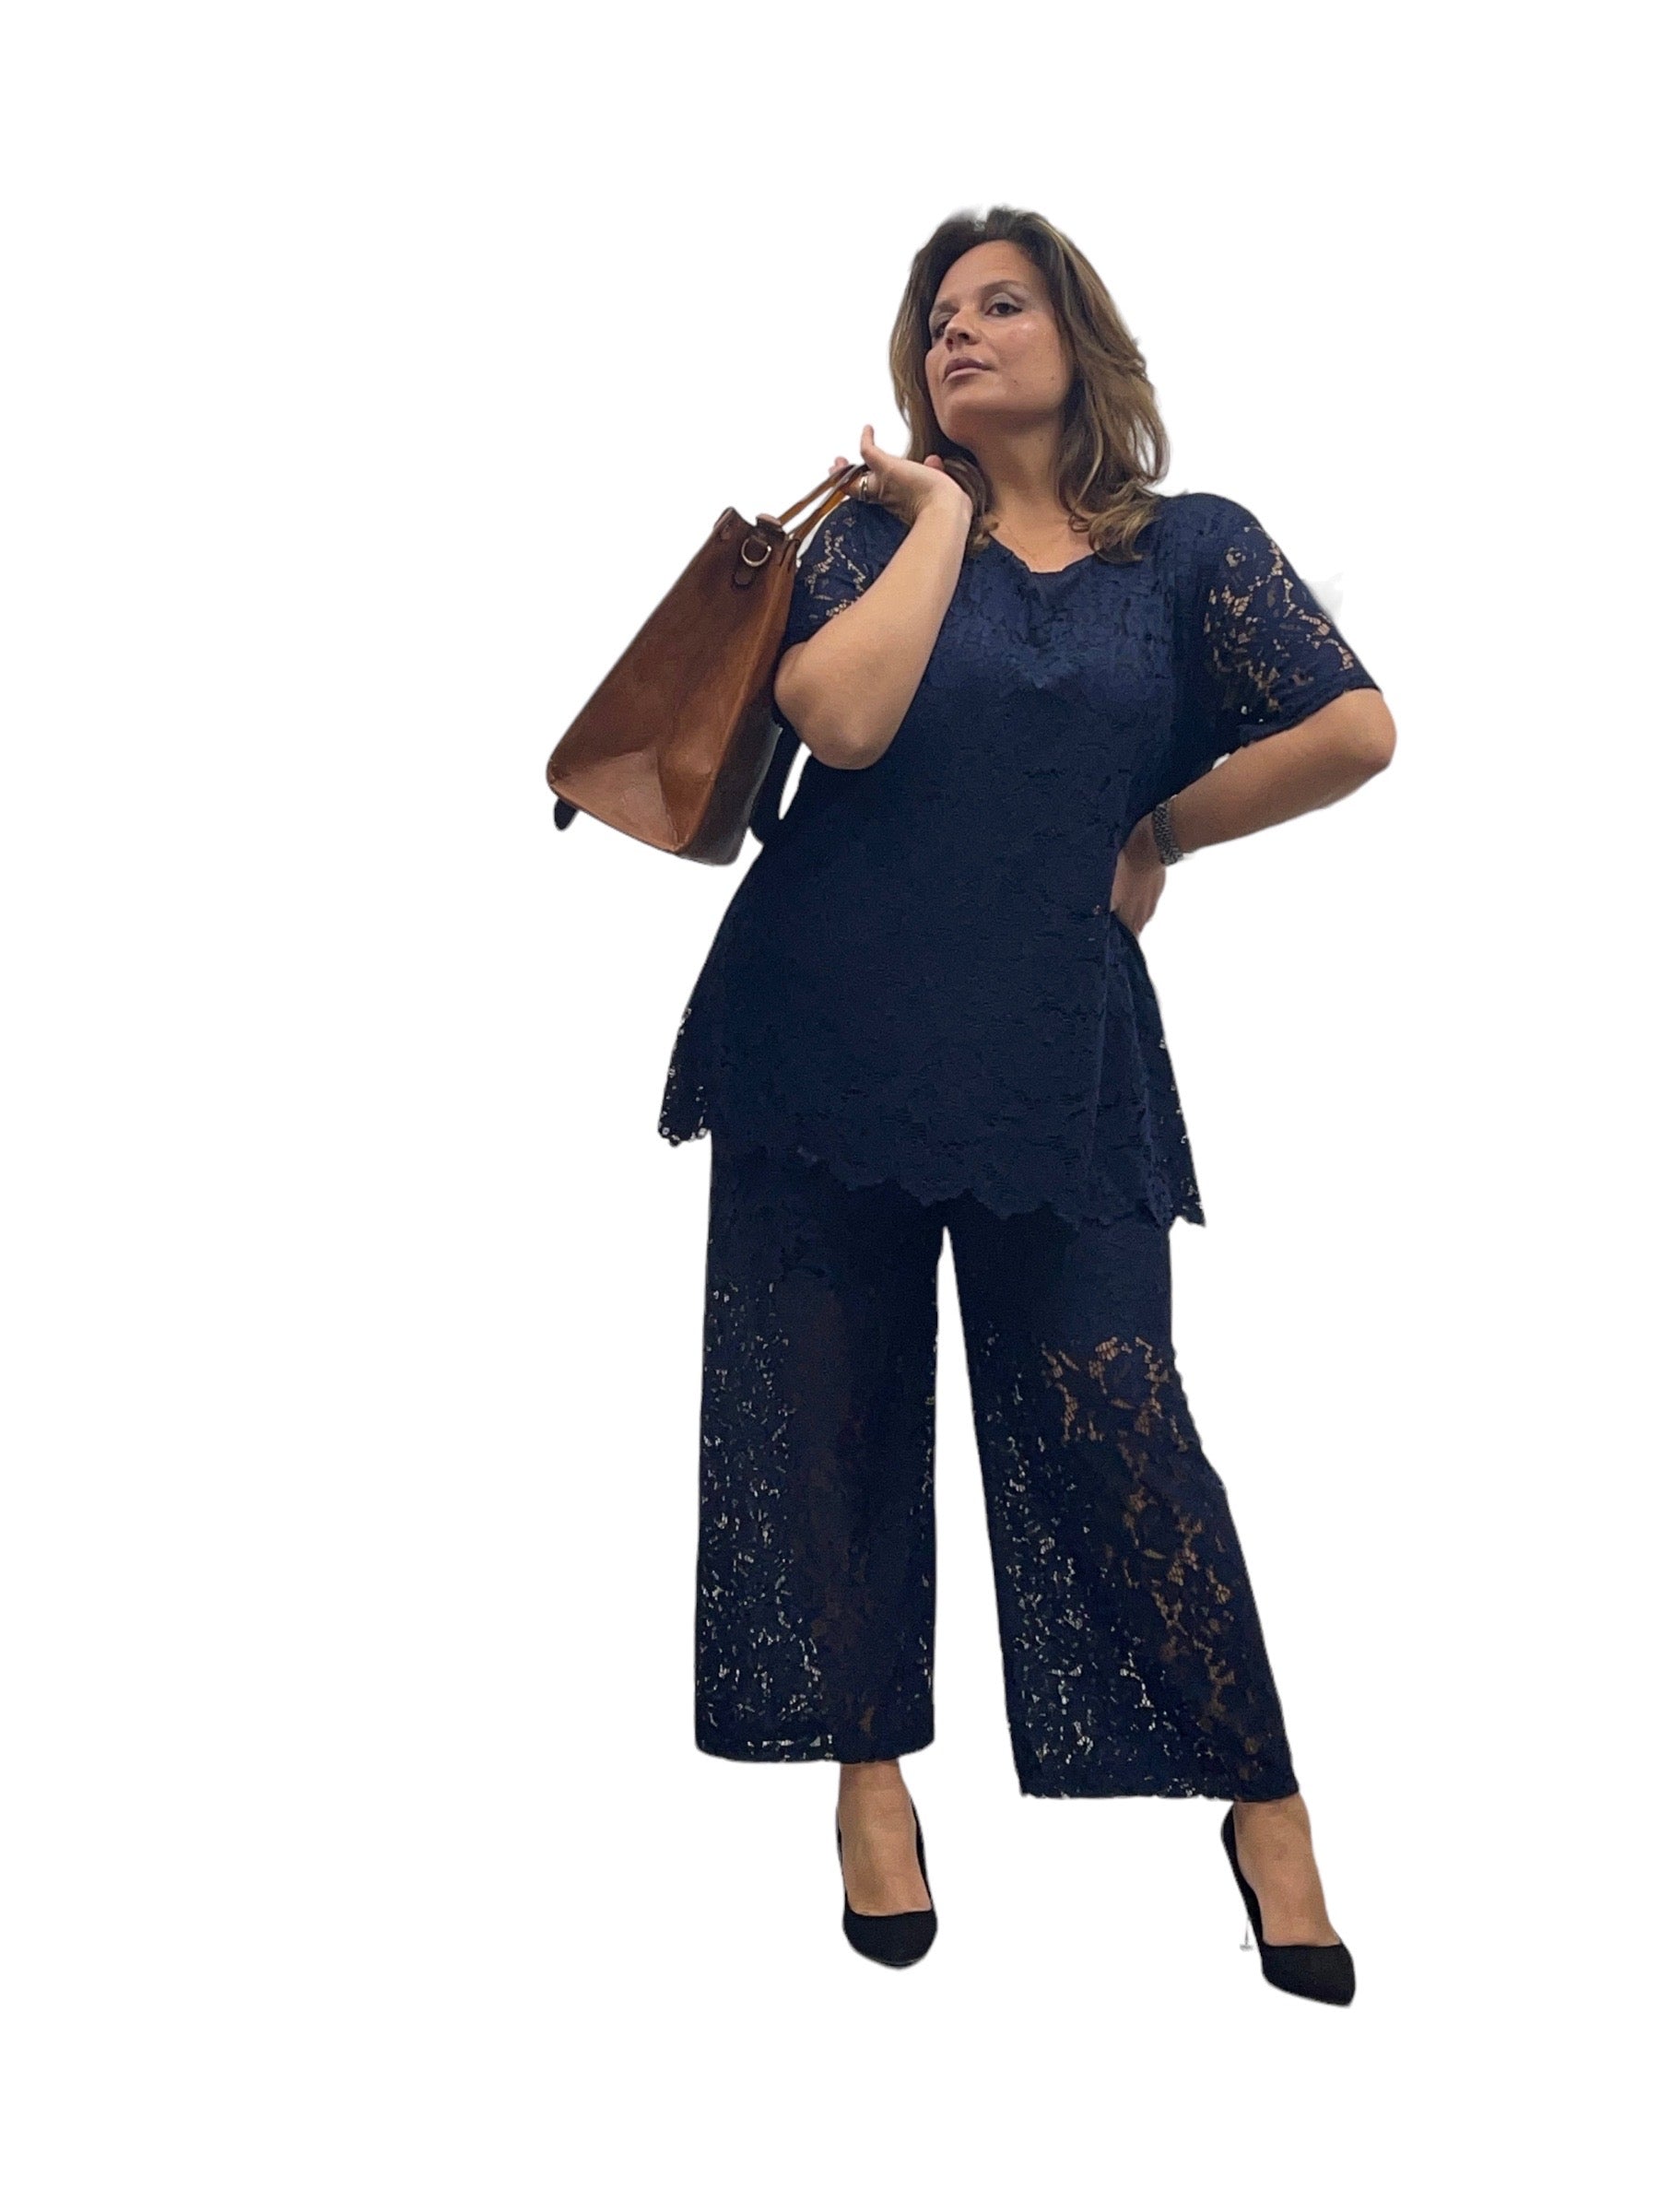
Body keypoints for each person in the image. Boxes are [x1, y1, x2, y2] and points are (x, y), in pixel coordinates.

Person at [657, 206, 1394, 2004]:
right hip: (825, 1032)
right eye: (938, 318)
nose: (960, 332)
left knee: (1117, 1414)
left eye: (1002, 304)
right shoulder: (871, 535)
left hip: (1056, 1053)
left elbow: (1353, 728)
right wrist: (936, 520)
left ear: (1083, 341)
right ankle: (871, 1785)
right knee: (829, 1417)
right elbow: (838, 722)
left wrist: (1162, 827)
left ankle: (1266, 1803)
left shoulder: (1192, 550)